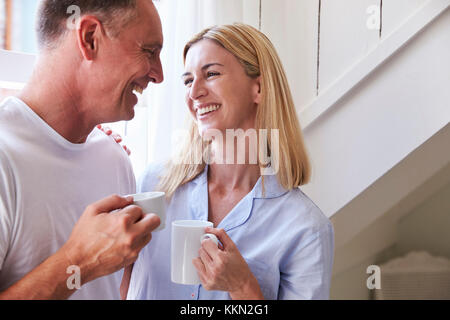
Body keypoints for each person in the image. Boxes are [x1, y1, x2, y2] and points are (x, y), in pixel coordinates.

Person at [123, 23, 334, 300]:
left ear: (258, 88)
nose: (194, 93)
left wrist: (243, 287)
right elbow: (120, 289)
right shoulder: (155, 185)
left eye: (211, 74)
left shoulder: (305, 228)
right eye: (188, 80)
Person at [0, 0, 163, 300]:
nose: (158, 74)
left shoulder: (115, 159)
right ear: (90, 38)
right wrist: (78, 262)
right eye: (150, 52)